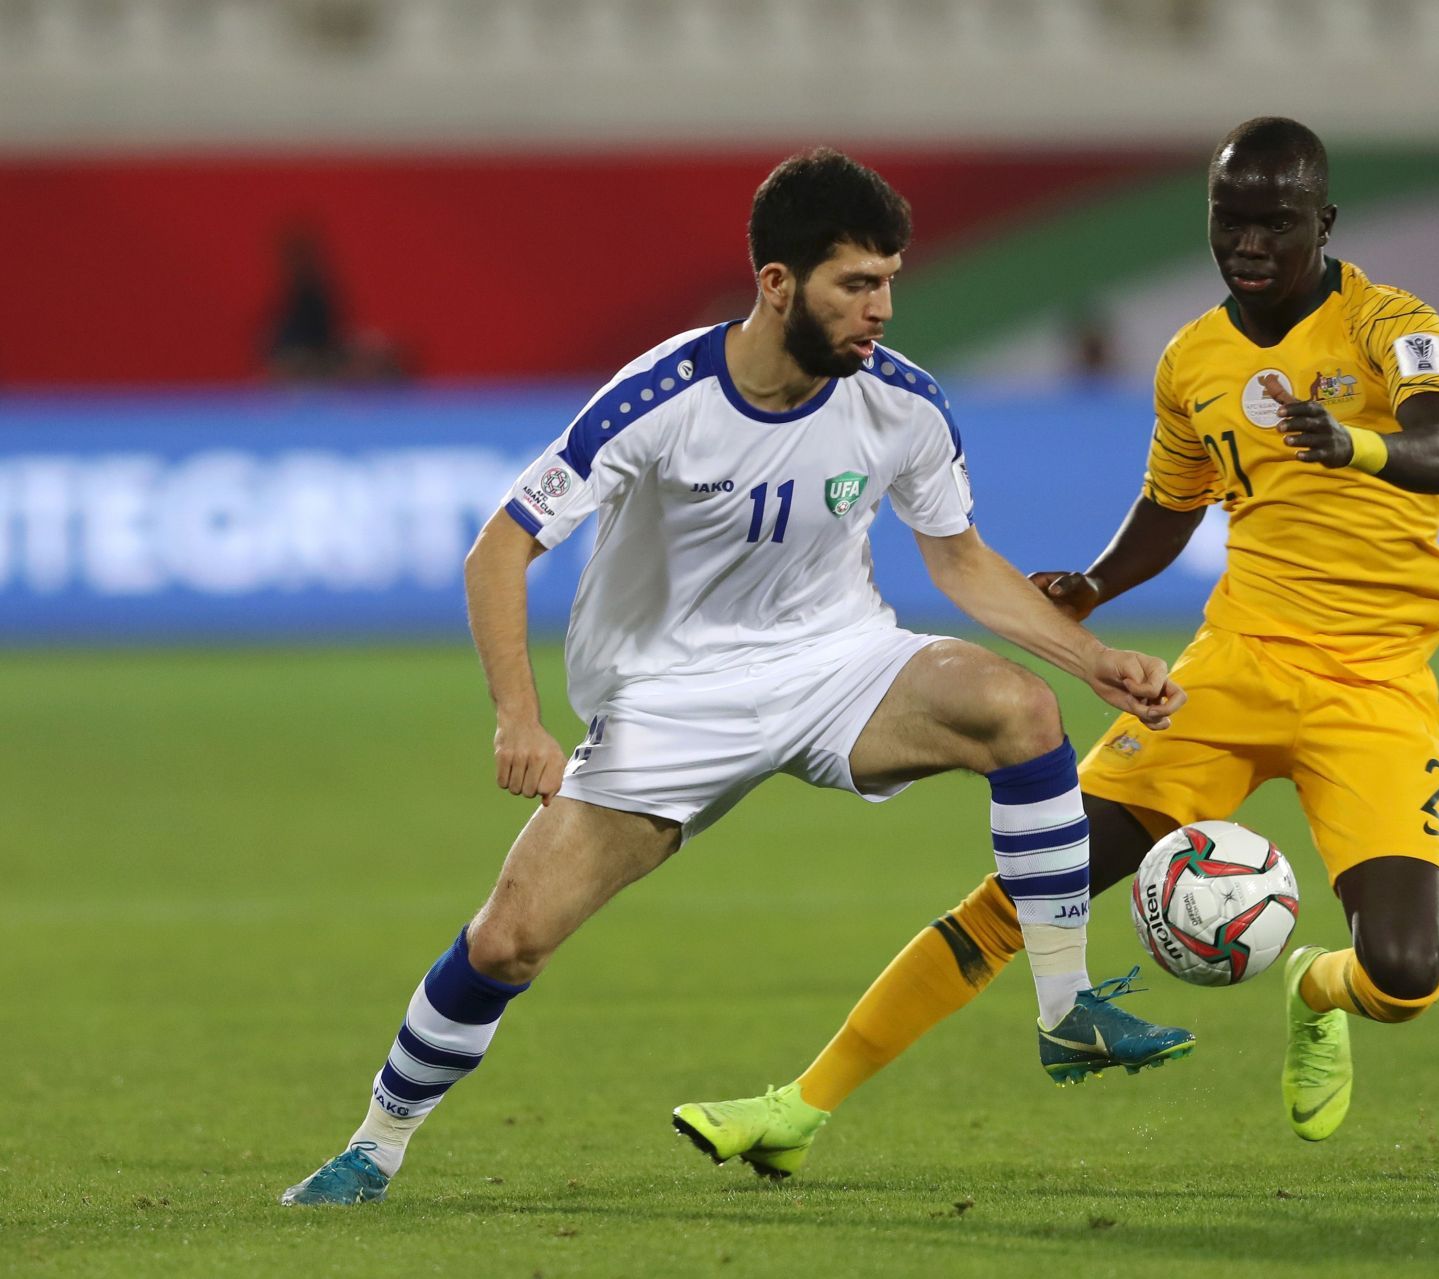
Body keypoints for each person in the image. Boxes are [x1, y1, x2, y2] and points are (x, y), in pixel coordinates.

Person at [280, 148, 1195, 1205]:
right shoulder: (661, 397)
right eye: (857, 283)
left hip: (835, 663)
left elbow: (957, 558)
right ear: (777, 284)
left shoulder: (902, 404)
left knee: (1018, 710)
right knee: (512, 938)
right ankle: (375, 1144)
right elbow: (501, 546)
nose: (882, 307)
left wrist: (1092, 662)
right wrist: (517, 719)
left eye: (890, 279)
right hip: (669, 701)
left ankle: (1065, 1005)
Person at [687, 116, 1439, 1167]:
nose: (1247, 243)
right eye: (1228, 220)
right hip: (1232, 673)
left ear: (1322, 222)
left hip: (1375, 688)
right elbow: (1171, 502)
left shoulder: (1391, 324)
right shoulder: (1193, 358)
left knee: (1406, 974)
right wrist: (1096, 585)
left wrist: (1355, 442)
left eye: (1274, 223)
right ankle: (798, 1105)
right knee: (1025, 888)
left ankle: (1313, 986)